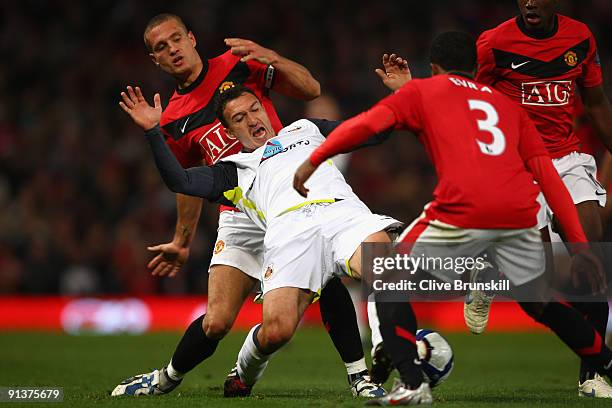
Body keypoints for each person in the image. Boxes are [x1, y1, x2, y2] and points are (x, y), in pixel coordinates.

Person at [293, 31, 612, 406]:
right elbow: (548, 176)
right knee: (539, 301)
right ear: (477, 70)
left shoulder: (424, 92)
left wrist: (314, 159)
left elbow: (363, 126)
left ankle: (412, 383)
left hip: (465, 206)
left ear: (435, 67)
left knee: (387, 273)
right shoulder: (506, 105)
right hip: (520, 212)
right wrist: (579, 245)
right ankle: (605, 363)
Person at [111, 13, 383, 398]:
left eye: (176, 39)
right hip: (239, 209)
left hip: (284, 199)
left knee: (326, 274)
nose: (172, 49)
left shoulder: (238, 66)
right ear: (154, 60)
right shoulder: (170, 116)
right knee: (217, 322)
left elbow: (310, 89)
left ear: (191, 38)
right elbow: (187, 181)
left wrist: (271, 56)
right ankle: (164, 379)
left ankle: (358, 375)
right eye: (160, 47)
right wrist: (182, 239)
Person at [465, 0, 612, 397]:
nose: (529, 1)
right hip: (518, 165)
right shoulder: (493, 43)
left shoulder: (579, 37)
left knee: (592, 259)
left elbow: (596, 102)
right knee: (540, 284)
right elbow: (464, 97)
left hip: (566, 160)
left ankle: (592, 376)